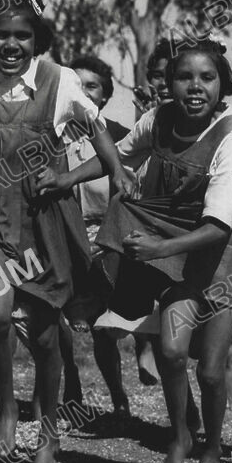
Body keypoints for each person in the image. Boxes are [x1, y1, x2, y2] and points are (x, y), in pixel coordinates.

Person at [44, 38, 232, 463]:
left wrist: (157, 251)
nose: (195, 87)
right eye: (184, 77)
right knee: (173, 351)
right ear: (169, 83)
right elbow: (117, 156)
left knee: (211, 369)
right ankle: (179, 434)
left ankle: (212, 449)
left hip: (222, 254)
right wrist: (66, 178)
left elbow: (218, 228)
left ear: (222, 86)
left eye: (207, 78)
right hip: (173, 239)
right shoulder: (157, 119)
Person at [0, 0, 130, 463]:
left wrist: (113, 173)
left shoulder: (60, 80)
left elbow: (96, 130)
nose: (11, 45)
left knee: (47, 336)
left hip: (43, 218)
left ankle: (48, 434)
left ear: (37, 39)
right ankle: (8, 415)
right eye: (1, 35)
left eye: (22, 36)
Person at [66, 55, 158, 417]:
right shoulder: (49, 141)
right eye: (76, 86)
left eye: (92, 86)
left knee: (122, 314)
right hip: (71, 239)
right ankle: (116, 399)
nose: (83, 93)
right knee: (95, 330)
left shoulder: (120, 136)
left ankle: (145, 348)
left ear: (104, 97)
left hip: (115, 236)